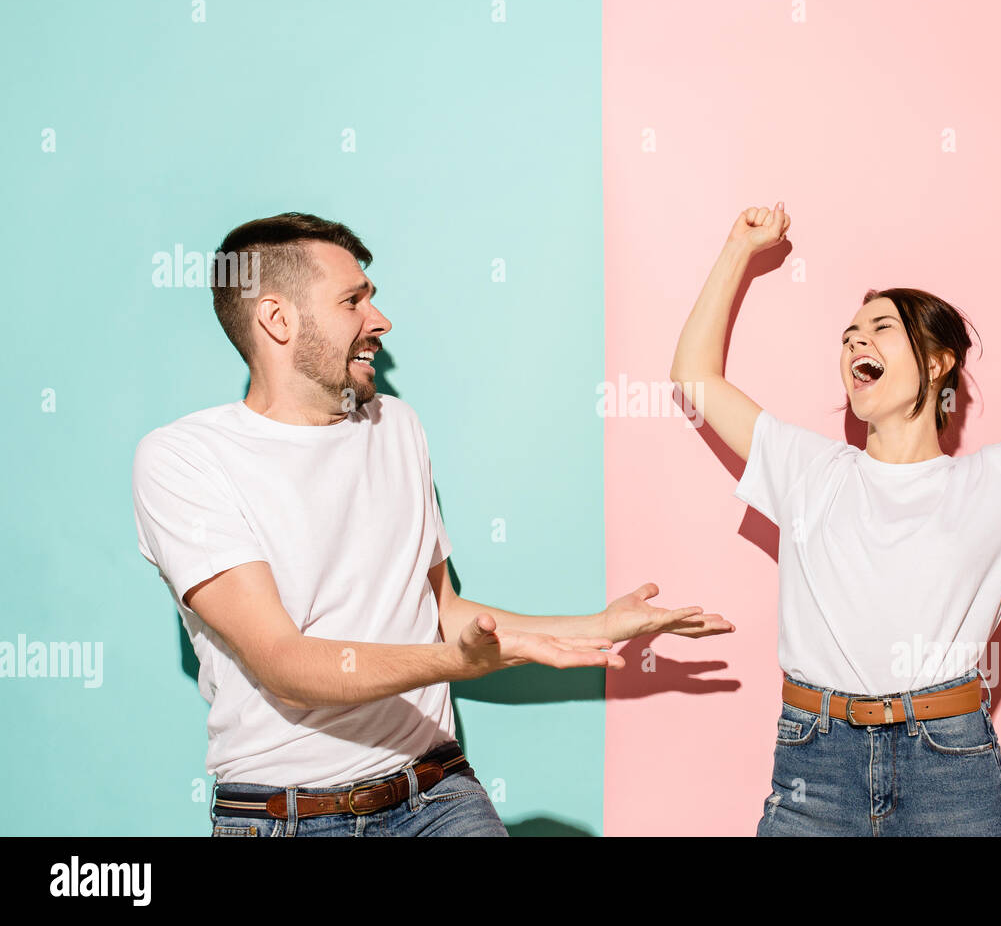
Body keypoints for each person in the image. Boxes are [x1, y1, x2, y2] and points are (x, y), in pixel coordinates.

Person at [133, 211, 734, 837]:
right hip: (287, 817)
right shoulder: (184, 459)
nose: (380, 321)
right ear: (278, 320)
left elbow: (440, 609)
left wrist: (597, 627)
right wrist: (455, 662)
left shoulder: (396, 427)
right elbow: (286, 664)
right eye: (352, 301)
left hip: (435, 796)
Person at [670, 187, 1001, 835]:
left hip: (948, 765)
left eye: (882, 328)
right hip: (815, 760)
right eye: (850, 334)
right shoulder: (805, 469)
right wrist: (738, 248)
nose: (857, 340)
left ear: (939, 363)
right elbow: (693, 376)